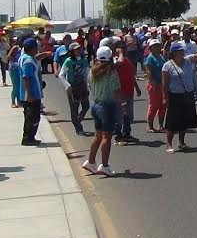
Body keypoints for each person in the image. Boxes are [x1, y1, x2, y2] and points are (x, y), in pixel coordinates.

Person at [82, 46, 121, 177]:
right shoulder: (111, 72)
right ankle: (104, 165)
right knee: (106, 137)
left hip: (95, 105)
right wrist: (121, 105)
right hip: (107, 106)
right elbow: (116, 91)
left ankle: (91, 161)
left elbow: (89, 86)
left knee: (98, 135)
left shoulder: (92, 71)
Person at [161, 42, 197, 153]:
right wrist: (165, 98)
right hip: (175, 95)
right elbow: (164, 84)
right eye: (180, 51)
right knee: (172, 121)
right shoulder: (167, 65)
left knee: (185, 120)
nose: (182, 52)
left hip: (188, 94)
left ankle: (182, 142)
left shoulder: (188, 60)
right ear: (174, 52)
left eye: (182, 50)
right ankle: (169, 144)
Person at [59, 42, 91, 136]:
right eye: (76, 49)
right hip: (72, 87)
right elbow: (62, 75)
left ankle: (77, 121)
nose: (78, 51)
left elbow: (86, 73)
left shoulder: (84, 60)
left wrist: (87, 84)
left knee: (86, 106)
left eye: (79, 49)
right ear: (72, 51)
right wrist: (67, 86)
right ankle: (78, 128)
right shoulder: (68, 61)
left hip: (82, 86)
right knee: (74, 109)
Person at [113, 44, 141, 144]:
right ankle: (118, 135)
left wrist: (137, 88)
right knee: (121, 115)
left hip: (129, 92)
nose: (124, 50)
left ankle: (126, 134)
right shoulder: (115, 61)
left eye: (124, 48)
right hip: (121, 93)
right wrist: (119, 53)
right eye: (122, 48)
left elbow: (131, 75)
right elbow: (119, 63)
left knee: (129, 115)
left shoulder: (127, 60)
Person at [19, 38, 44, 146]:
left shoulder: (26, 57)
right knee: (33, 117)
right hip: (31, 94)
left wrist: (43, 55)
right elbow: (27, 77)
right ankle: (28, 138)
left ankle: (30, 137)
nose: (37, 49)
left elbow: (35, 58)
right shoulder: (28, 61)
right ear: (33, 48)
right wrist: (29, 93)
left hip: (33, 92)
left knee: (30, 116)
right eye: (36, 47)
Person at [144, 39, 166, 133]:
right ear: (151, 48)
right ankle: (150, 126)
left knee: (163, 105)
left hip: (162, 84)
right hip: (154, 84)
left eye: (158, 45)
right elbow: (148, 71)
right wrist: (153, 82)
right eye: (155, 46)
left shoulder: (161, 56)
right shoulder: (150, 58)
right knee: (154, 105)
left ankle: (161, 125)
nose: (157, 47)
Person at [8, 38, 22, 108]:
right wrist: (16, 62)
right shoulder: (15, 48)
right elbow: (9, 56)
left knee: (20, 86)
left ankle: (19, 101)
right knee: (15, 86)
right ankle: (13, 102)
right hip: (14, 68)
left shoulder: (24, 48)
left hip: (20, 69)